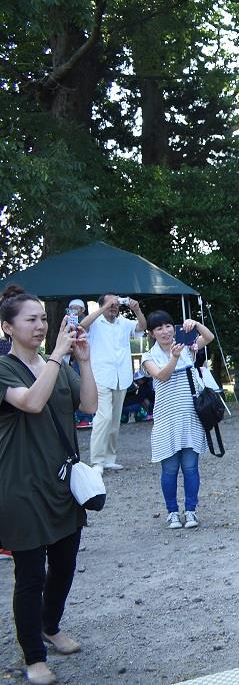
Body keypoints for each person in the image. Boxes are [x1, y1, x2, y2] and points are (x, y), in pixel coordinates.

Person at [0, 285, 97, 685]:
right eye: (31, 319)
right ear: (7, 327)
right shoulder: (4, 367)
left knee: (64, 565)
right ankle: (34, 656)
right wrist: (57, 356)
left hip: (61, 484)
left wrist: (85, 362)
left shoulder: (55, 364)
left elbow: (89, 406)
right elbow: (31, 403)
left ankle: (50, 625)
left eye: (43, 318)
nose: (40, 325)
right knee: (30, 575)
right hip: (20, 485)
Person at [140, 312, 215, 530]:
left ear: (174, 328)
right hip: (166, 418)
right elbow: (161, 376)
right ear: (152, 333)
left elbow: (208, 337)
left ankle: (191, 510)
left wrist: (196, 324)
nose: (165, 331)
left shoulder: (187, 348)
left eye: (168, 326)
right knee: (170, 469)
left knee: (191, 467)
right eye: (159, 328)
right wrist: (173, 357)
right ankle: (172, 512)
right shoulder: (148, 356)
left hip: (190, 416)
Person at [80, 293, 146, 474]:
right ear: (102, 305)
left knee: (115, 420)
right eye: (110, 304)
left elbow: (141, 327)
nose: (114, 306)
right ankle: (97, 462)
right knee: (104, 417)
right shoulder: (94, 322)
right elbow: (81, 326)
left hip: (121, 376)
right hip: (100, 376)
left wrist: (137, 310)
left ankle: (109, 458)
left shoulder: (124, 323)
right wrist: (102, 308)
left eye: (116, 304)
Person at [65, 300, 94, 431]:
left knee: (82, 385)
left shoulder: (86, 321)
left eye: (76, 308)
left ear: (82, 310)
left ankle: (86, 418)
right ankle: (81, 416)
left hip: (85, 357)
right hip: (75, 357)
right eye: (70, 308)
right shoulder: (68, 322)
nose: (73, 311)